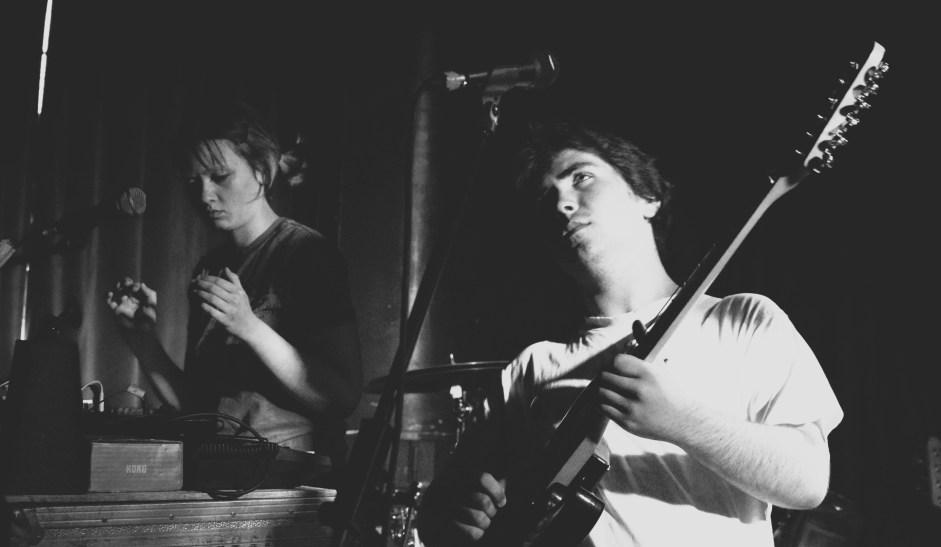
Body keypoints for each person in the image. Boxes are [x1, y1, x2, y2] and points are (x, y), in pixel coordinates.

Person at [416, 121, 843, 546]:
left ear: (647, 198)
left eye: (581, 177)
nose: (562, 202)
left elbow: (808, 481)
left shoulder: (740, 319)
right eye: (546, 197)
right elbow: (438, 517)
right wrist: (460, 519)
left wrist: (681, 422)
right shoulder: (531, 367)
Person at [106, 100, 363, 459]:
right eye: (193, 181)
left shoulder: (306, 253)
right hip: (221, 466)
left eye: (220, 177)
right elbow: (198, 406)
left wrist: (249, 326)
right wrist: (142, 340)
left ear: (261, 170)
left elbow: (342, 397)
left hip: (289, 472)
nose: (204, 195)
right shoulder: (210, 267)